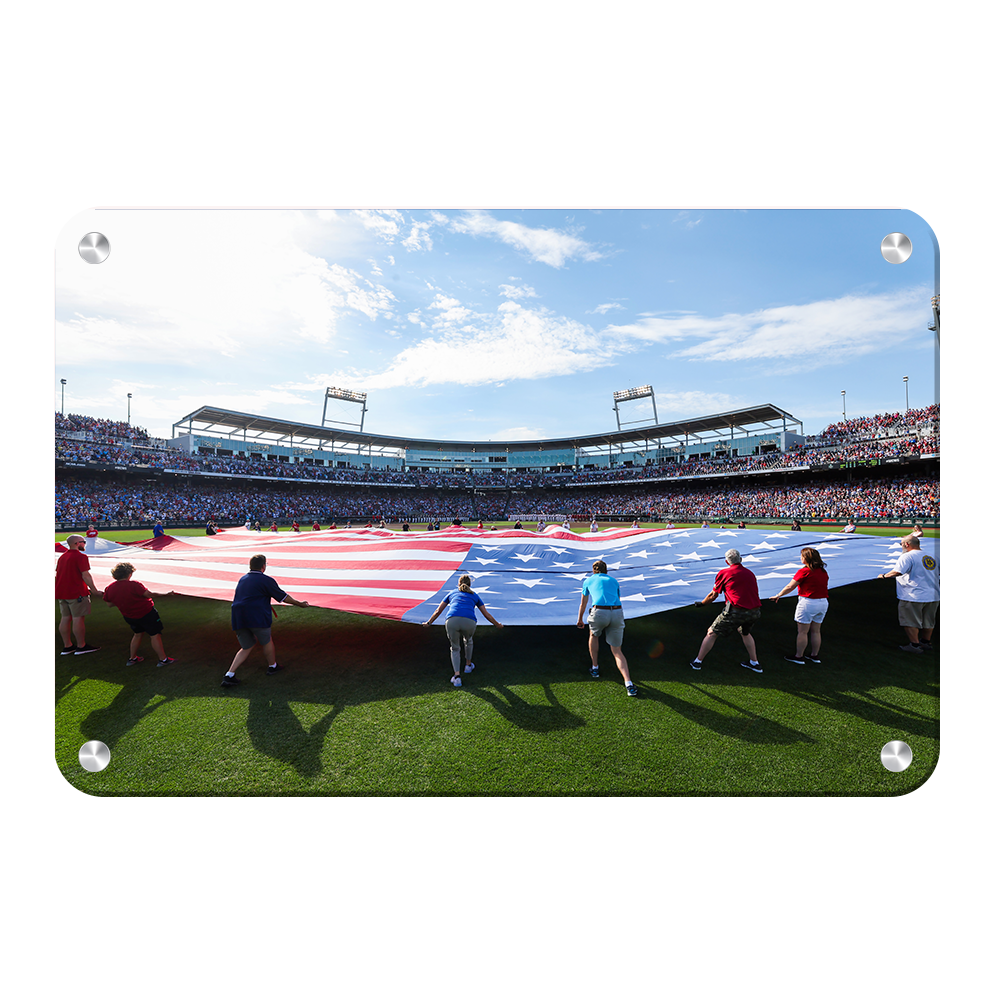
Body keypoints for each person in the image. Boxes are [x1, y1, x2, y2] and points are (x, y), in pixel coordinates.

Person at [222, 553, 311, 687]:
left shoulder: (243, 579)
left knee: (246, 646)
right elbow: (283, 597)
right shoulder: (266, 580)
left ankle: (229, 674)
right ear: (263, 566)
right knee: (266, 641)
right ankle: (272, 666)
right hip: (256, 616)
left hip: (238, 617)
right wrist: (300, 604)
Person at [422, 574, 504, 687]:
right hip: (469, 622)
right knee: (468, 640)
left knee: (455, 648)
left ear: (458, 584)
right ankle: (468, 665)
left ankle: (457, 677)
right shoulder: (475, 595)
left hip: (452, 621)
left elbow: (438, 611)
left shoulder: (452, 593)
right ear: (470, 585)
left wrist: (429, 622)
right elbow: (486, 614)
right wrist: (497, 624)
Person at [690, 548, 762, 672]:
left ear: (727, 561)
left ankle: (697, 662)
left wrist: (702, 604)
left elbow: (713, 595)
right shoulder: (750, 573)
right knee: (745, 633)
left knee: (712, 632)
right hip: (754, 611)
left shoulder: (724, 573)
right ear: (741, 559)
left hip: (736, 610)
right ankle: (754, 663)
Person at [577, 560, 637, 696]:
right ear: (606, 570)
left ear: (593, 570)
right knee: (617, 651)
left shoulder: (588, 581)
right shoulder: (614, 581)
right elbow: (617, 597)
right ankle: (629, 683)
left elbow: (583, 603)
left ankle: (595, 667)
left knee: (593, 635)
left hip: (599, 612)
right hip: (616, 612)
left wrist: (580, 619)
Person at [102, 562, 175, 666]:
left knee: (137, 634)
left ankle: (132, 658)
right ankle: (163, 659)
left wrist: (123, 600)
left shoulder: (110, 588)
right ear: (129, 574)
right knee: (155, 635)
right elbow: (148, 594)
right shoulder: (134, 585)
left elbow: (109, 604)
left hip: (129, 616)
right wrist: (166, 594)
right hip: (147, 614)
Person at [877, 535, 939, 652]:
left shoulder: (907, 556)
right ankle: (926, 642)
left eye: (901, 544)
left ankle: (914, 645)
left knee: (910, 620)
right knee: (929, 620)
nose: (901, 546)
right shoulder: (932, 555)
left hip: (913, 594)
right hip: (933, 594)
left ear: (907, 544)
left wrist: (884, 575)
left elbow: (898, 572)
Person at [770, 547, 829, 664]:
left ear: (807, 558)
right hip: (823, 603)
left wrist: (778, 595)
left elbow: (789, 587)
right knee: (816, 631)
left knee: (803, 632)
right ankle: (814, 655)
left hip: (808, 603)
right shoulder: (823, 571)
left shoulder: (804, 571)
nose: (801, 558)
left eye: (802, 556)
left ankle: (799, 656)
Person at [56, 534, 101, 655]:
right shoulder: (81, 557)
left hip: (62, 592)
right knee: (78, 618)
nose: (84, 544)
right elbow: (85, 575)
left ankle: (67, 646)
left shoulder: (62, 557)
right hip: (76, 592)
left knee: (65, 618)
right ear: (77, 543)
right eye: (83, 542)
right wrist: (94, 590)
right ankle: (81, 646)